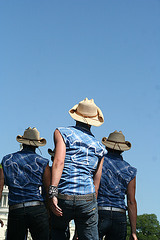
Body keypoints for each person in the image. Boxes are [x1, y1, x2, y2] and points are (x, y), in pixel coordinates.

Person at [49, 98, 105, 240]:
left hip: (64, 196)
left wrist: (53, 193)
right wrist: (90, 206)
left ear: (76, 115)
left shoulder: (62, 133)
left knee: (57, 230)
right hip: (87, 198)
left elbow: (59, 162)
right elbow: (96, 184)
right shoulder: (100, 148)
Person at [1, 127, 51, 240]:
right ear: (37, 145)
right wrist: (48, 210)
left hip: (16, 209)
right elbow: (48, 190)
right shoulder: (43, 162)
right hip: (36, 208)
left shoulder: (6, 160)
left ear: (22, 143)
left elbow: (0, 187)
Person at [97, 130, 137, 240]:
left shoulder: (98, 163)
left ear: (107, 146)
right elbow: (131, 201)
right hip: (119, 215)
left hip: (99, 211)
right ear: (122, 150)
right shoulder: (129, 170)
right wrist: (133, 231)